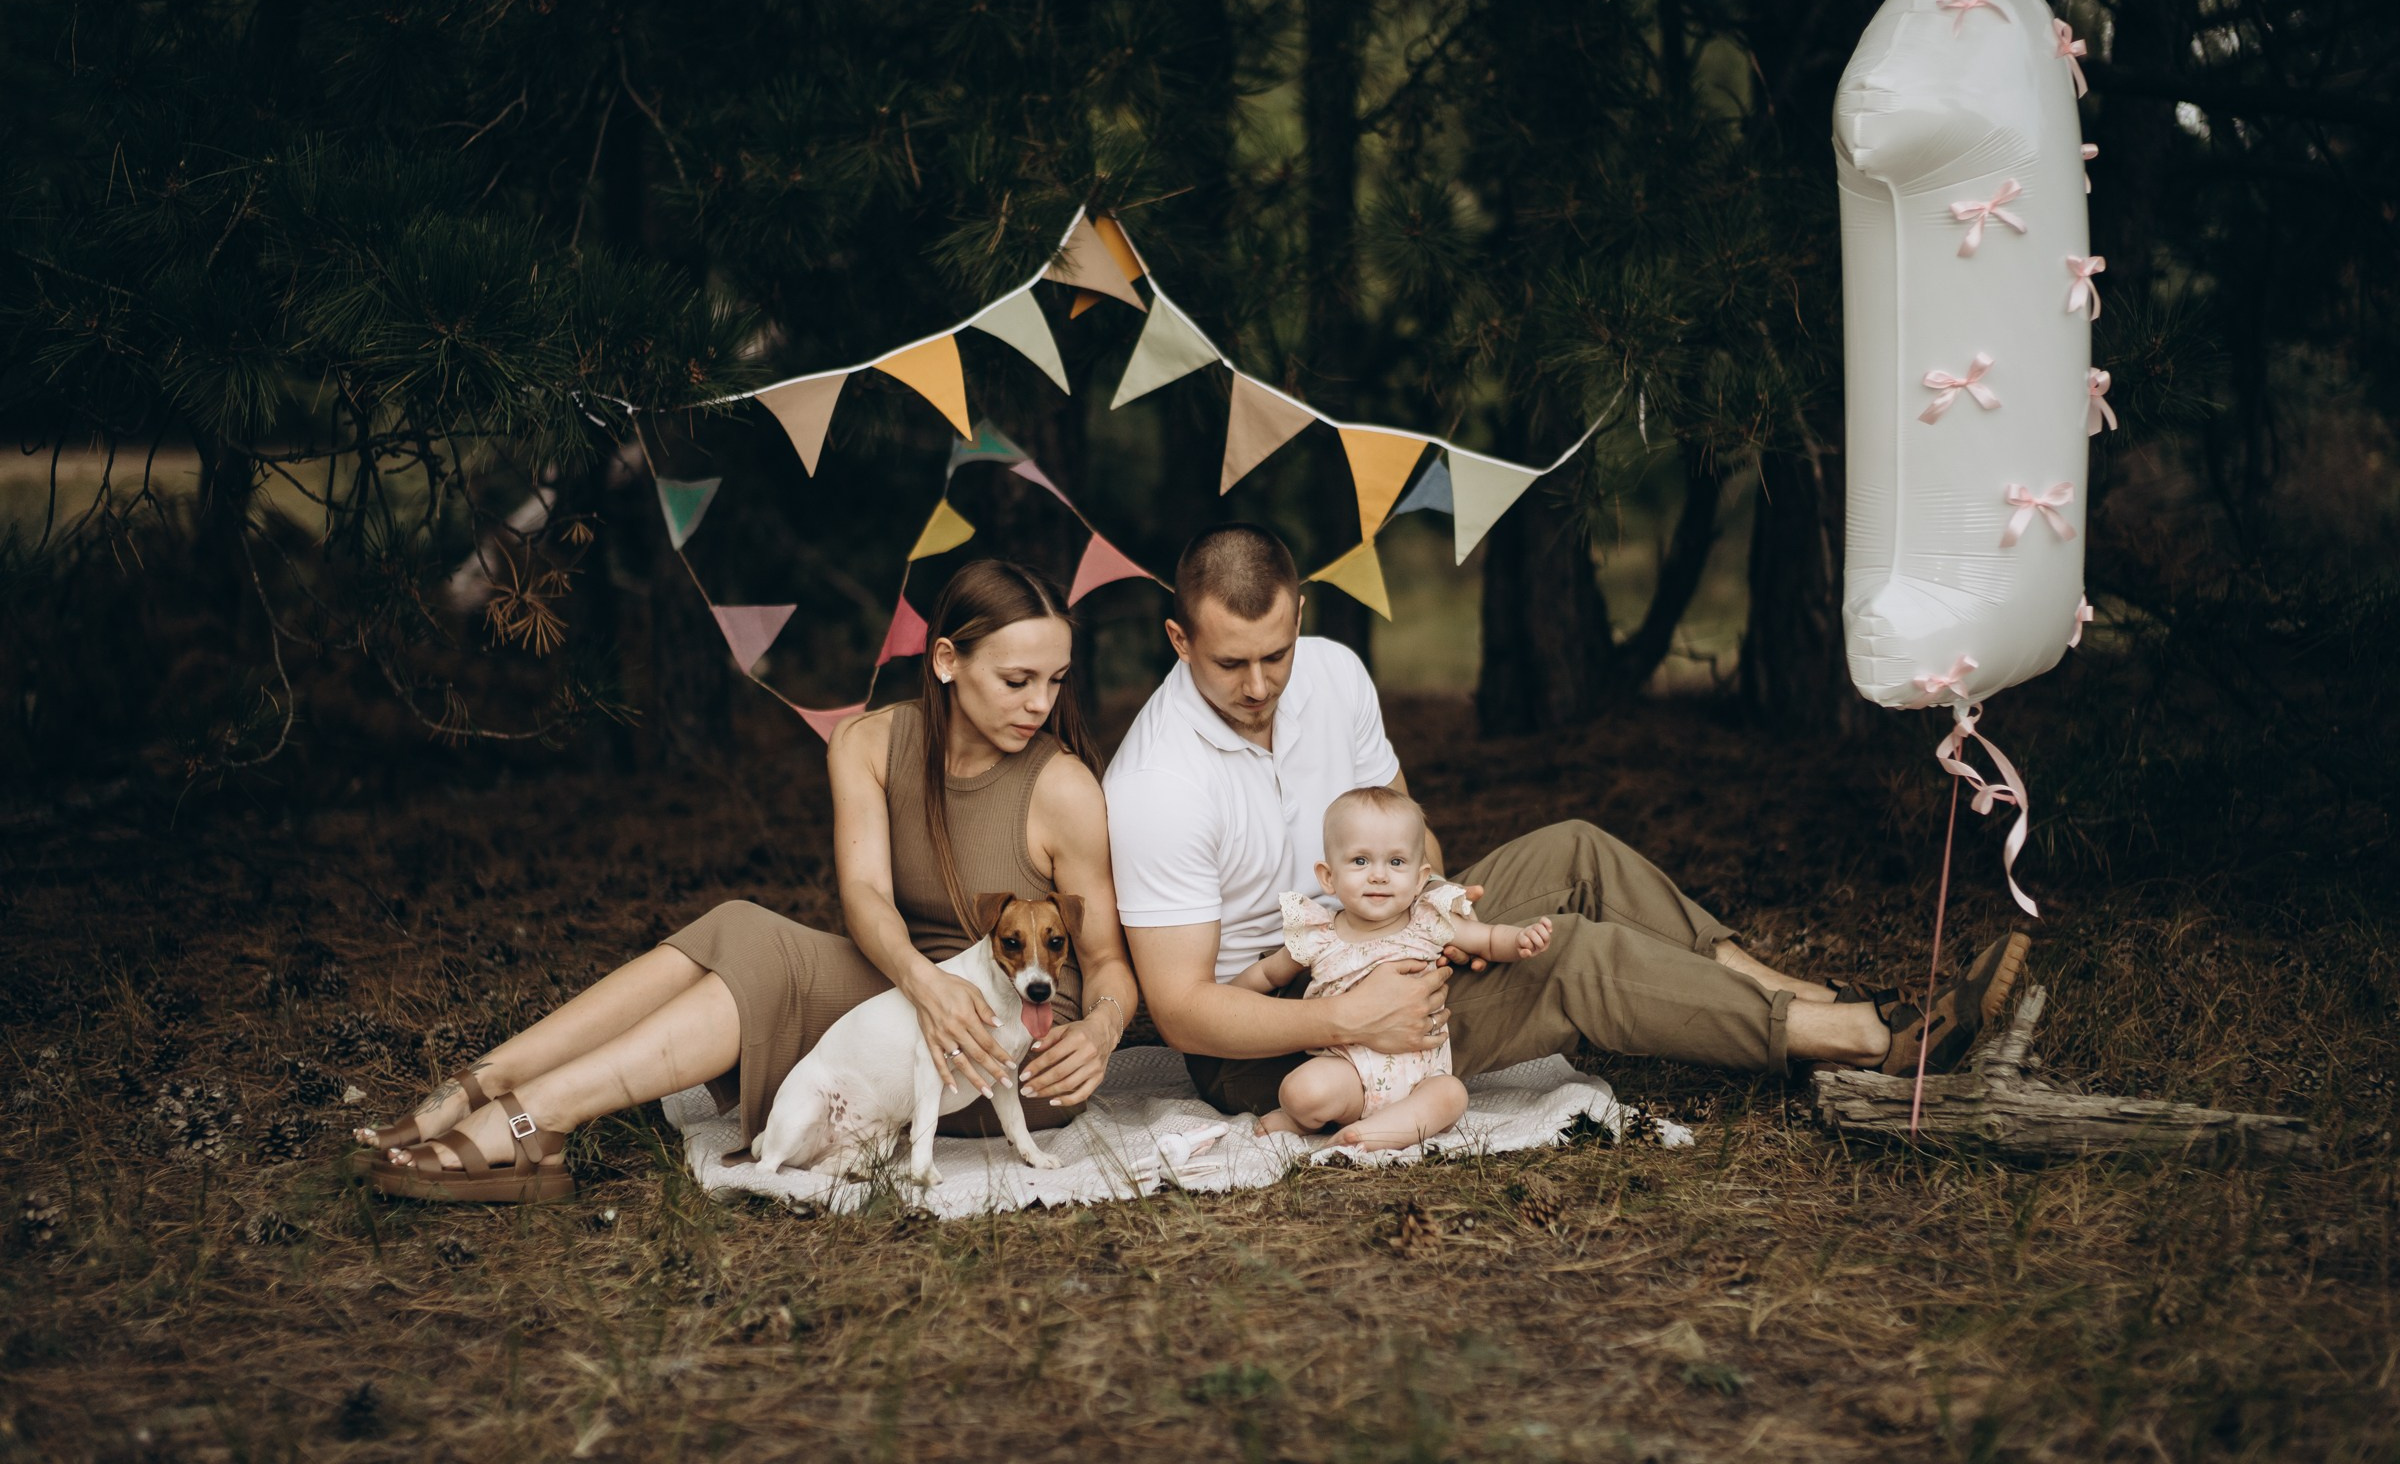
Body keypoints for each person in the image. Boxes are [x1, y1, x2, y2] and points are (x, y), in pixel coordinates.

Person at [1105, 525, 2031, 1122]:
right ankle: (1871, 1041)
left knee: (1577, 850)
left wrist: (1435, 916)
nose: (1259, 685)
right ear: (1179, 640)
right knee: (1572, 958)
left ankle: (1804, 998)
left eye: (1274, 655)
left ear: (1300, 616)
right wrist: (1354, 1008)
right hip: (1277, 1038)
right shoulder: (1156, 781)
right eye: (1230, 664)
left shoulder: (1334, 671)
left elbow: (1413, 830)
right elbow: (1181, 1013)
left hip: (1388, 922)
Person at [355, 559, 1139, 1203]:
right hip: (911, 987)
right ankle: (483, 1083)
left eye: (1056, 681)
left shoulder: (1063, 788)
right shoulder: (868, 744)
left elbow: (1106, 960)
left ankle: (537, 1119)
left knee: (762, 962)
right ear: (945, 662)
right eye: (1017, 680)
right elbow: (865, 898)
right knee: (739, 923)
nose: (1041, 704)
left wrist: (1100, 1033)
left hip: (1009, 1049)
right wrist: (923, 985)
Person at [1241, 784, 1553, 1149]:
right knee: (1301, 1091)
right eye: (1360, 861)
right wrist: (1223, 995)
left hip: (1422, 1075)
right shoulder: (1318, 934)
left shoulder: (1428, 920)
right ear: (1328, 876)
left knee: (1451, 1095)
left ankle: (1368, 1135)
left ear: (1420, 878)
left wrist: (1520, 940)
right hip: (1347, 1071)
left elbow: (1487, 939)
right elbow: (1267, 974)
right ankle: (1301, 1119)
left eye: (1396, 862)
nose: (1379, 875)